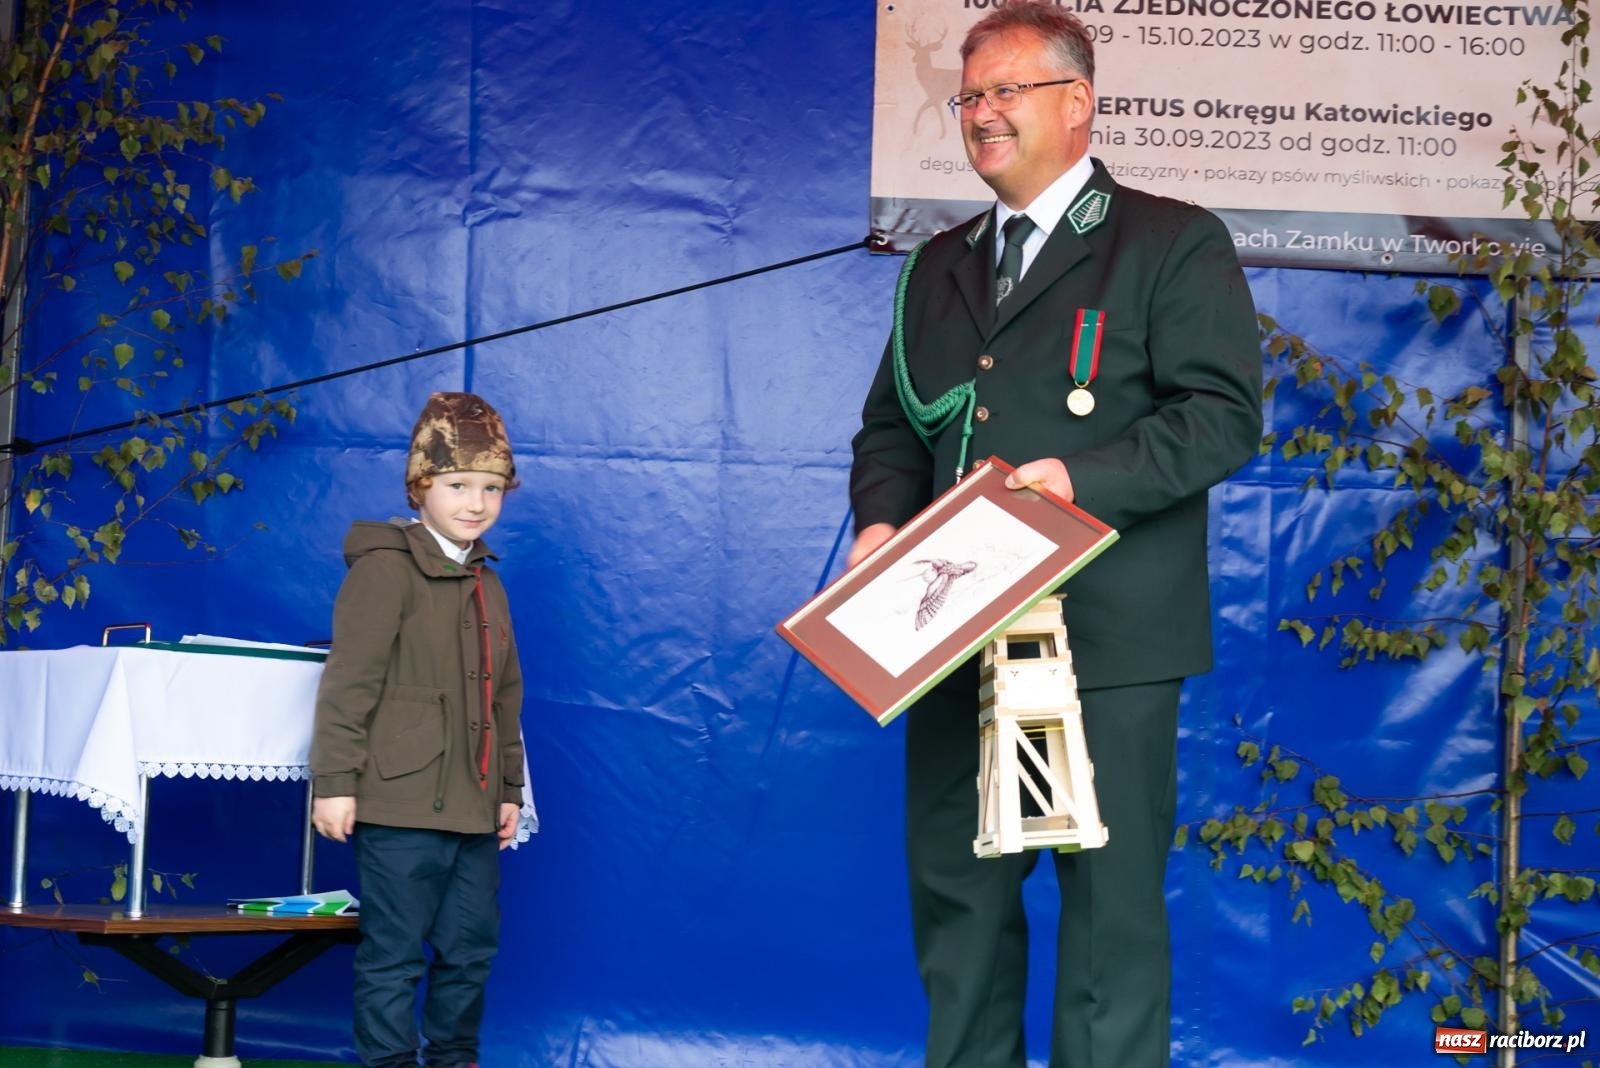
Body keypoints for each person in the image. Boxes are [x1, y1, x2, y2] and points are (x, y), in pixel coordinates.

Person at [848, 4, 1264, 1066]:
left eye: (1006, 92)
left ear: (1076, 104)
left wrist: (1080, 478)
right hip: (950, 640)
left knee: (1107, 925)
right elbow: (893, 424)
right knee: (961, 909)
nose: (982, 115)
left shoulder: (1171, 242)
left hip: (1104, 645)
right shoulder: (935, 266)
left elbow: (1222, 415)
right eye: (969, 96)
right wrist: (881, 524)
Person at [310, 391, 528, 1068]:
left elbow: (504, 697)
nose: (476, 503)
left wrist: (509, 789)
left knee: (470, 949)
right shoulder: (384, 569)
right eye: (459, 485)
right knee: (393, 955)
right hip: (399, 804)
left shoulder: (486, 581)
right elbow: (350, 683)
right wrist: (335, 783)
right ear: (421, 485)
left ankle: (454, 1058)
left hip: (473, 802)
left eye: (492, 489)